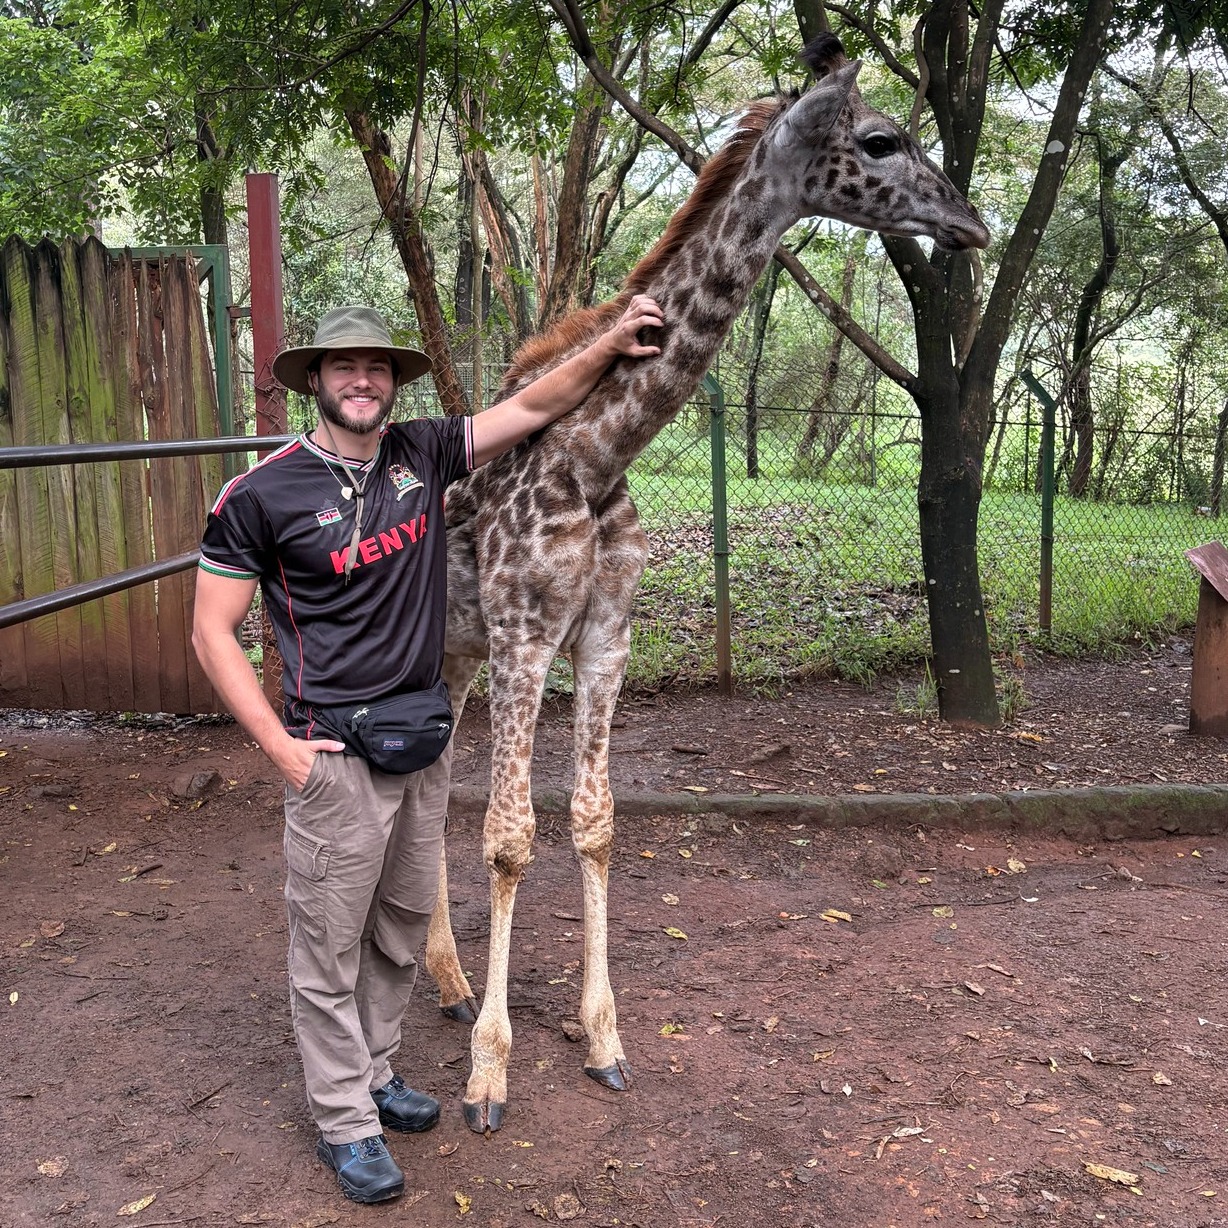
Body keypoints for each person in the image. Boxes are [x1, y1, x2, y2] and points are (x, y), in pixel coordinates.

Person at [191, 295, 663, 1204]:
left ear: (392, 385)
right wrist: (281, 750)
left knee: (405, 924)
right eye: (342, 368)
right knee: (328, 946)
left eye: (376, 368)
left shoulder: (423, 454)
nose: (361, 381)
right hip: (331, 752)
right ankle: (345, 1122)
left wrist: (607, 344)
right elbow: (212, 631)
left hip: (421, 741)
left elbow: (530, 408)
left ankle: (374, 1071)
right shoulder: (262, 493)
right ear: (315, 384)